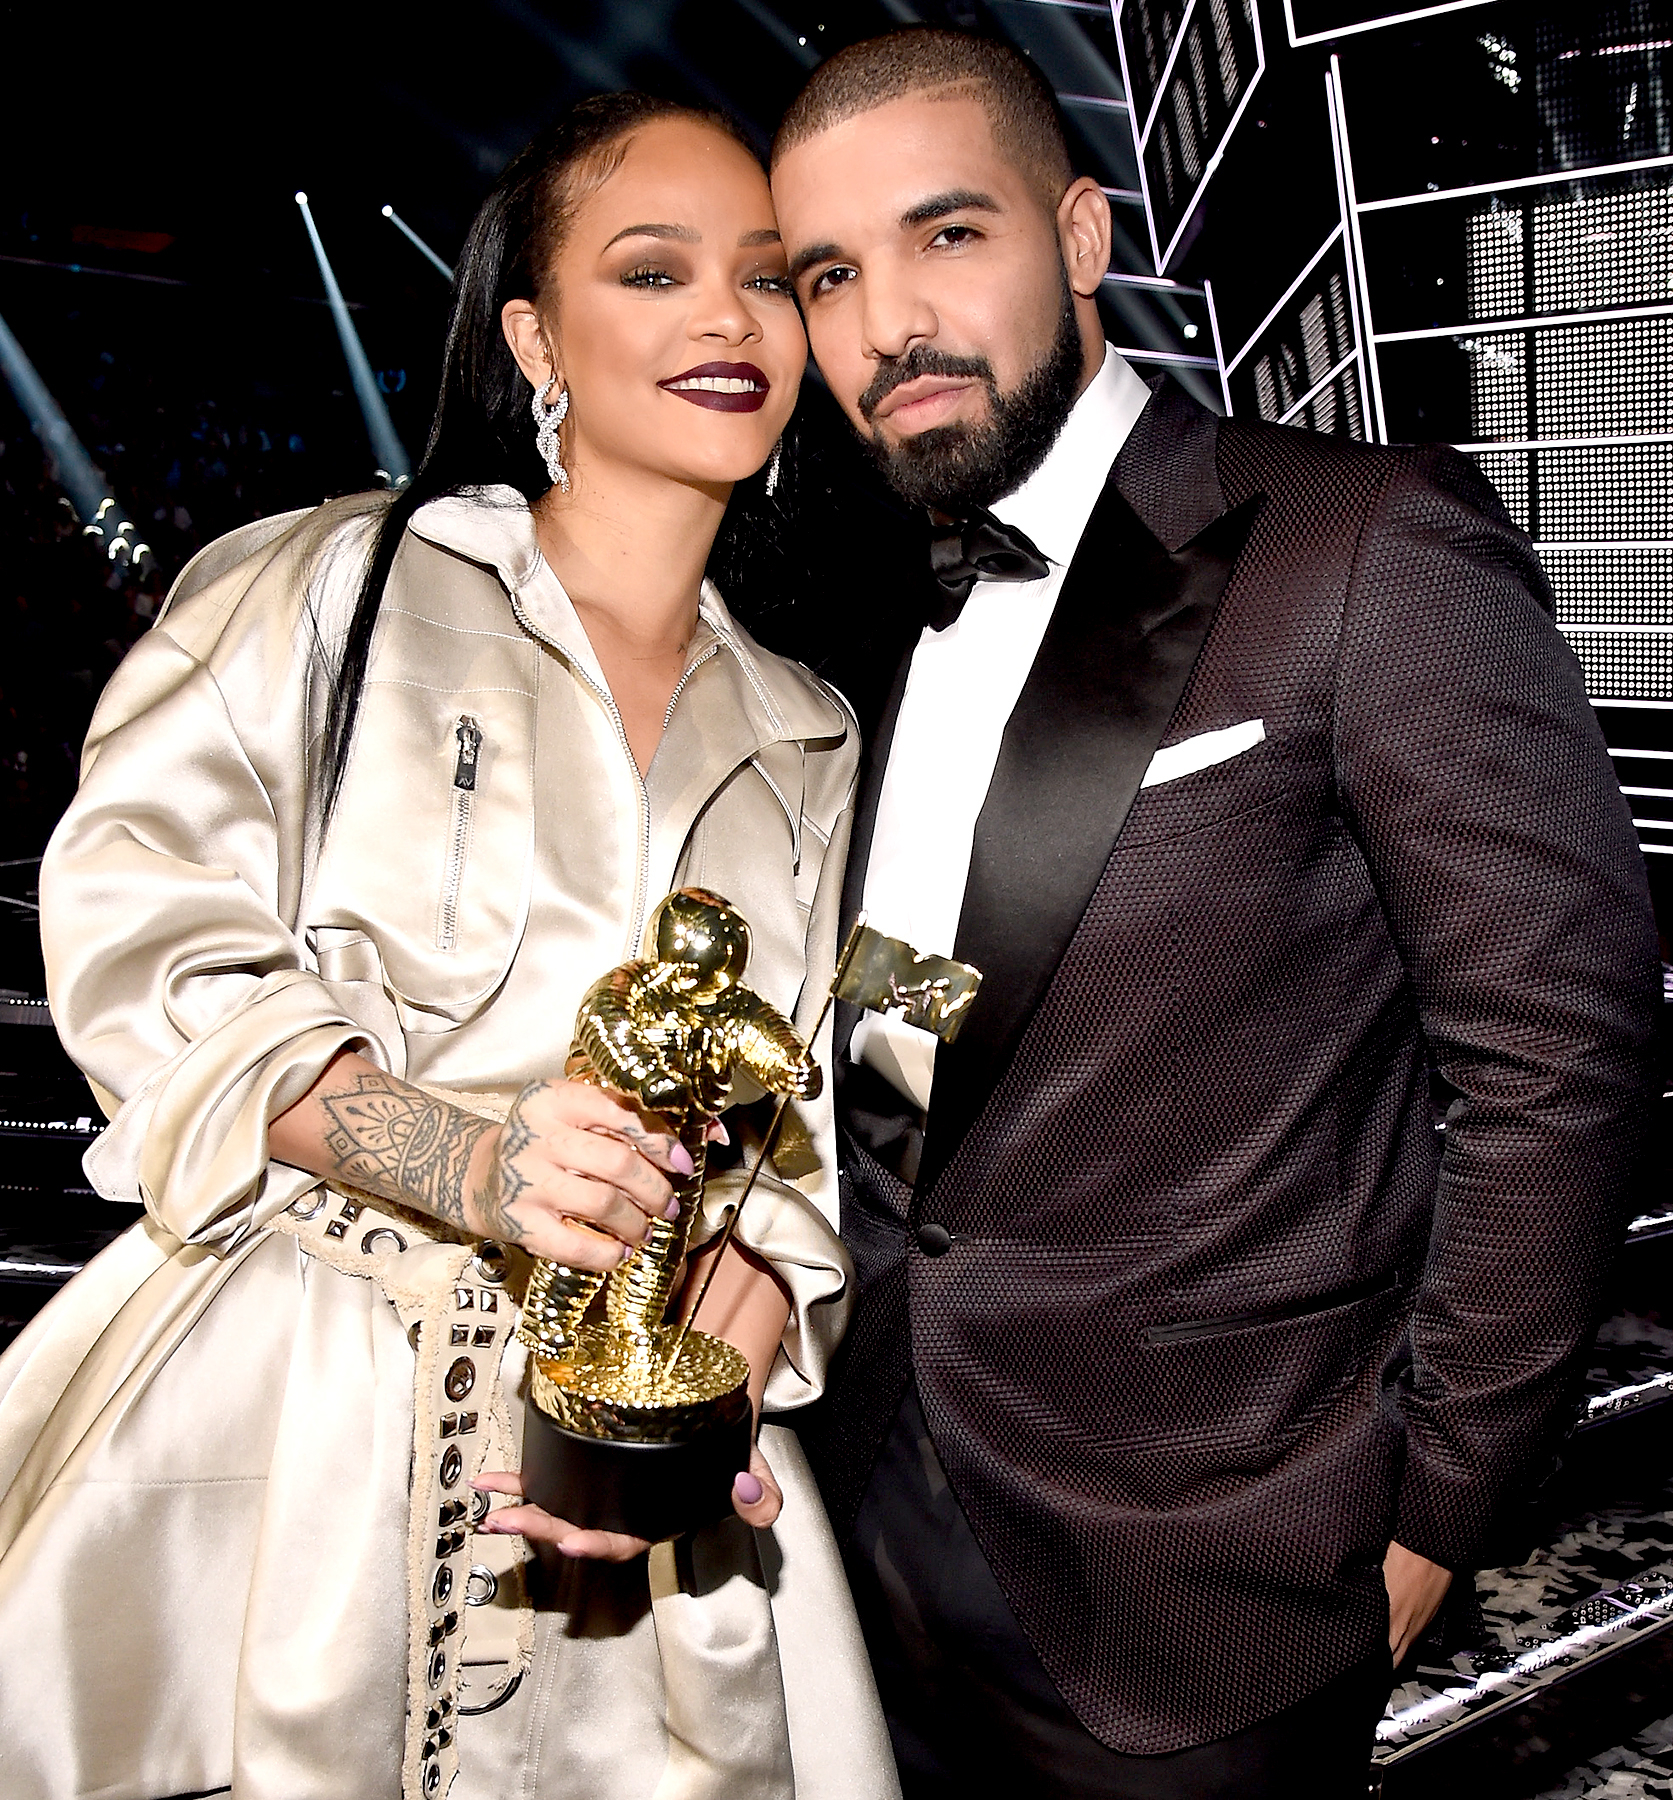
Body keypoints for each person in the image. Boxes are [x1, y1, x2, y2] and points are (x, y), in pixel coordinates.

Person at [767, 29, 1662, 1800]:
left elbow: (1561, 1050)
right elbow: (924, 1013)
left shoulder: (1360, 545)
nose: (887, 324)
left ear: (1083, 238)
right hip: (873, 1520)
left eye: (948, 237)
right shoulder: (855, 610)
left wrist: (1433, 1511)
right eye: (830, 275)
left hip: (1217, 1581)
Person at [0, 94, 899, 1800]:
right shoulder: (333, 584)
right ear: (532, 335)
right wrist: (463, 1158)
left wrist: (751, 1303)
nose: (729, 319)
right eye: (656, 271)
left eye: (772, 280)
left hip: (631, 1486)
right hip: (290, 1410)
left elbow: (791, 1139)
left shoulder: (811, 732)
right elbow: (143, 921)